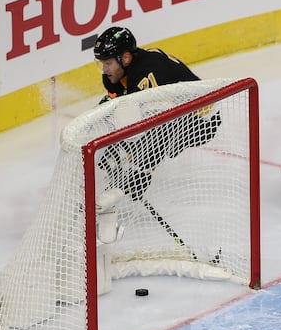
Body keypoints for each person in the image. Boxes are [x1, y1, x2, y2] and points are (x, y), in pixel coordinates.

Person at [92, 26, 222, 201]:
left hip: (202, 119)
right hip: (176, 111)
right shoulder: (117, 75)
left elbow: (160, 125)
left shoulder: (147, 70)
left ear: (125, 58)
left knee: (152, 127)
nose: (105, 69)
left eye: (108, 63)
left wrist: (140, 170)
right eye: (102, 64)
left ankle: (140, 172)